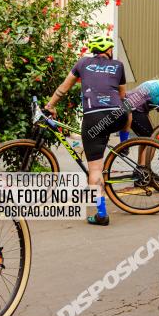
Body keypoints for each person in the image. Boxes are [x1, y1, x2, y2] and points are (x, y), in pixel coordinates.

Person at [45, 34, 127, 226]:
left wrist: (50, 106)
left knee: (95, 168)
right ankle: (124, 144)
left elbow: (63, 88)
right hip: (117, 115)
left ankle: (101, 214)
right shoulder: (118, 65)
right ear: (108, 51)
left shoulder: (82, 63)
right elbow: (122, 95)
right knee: (101, 145)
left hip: (95, 116)